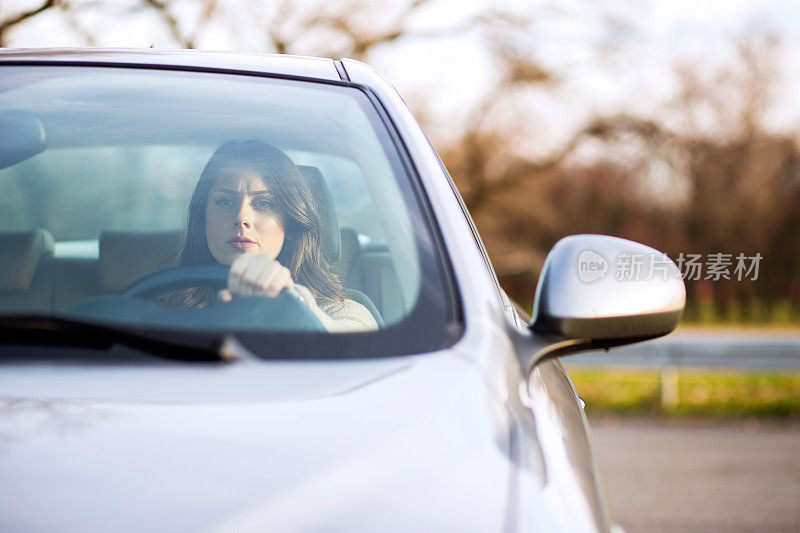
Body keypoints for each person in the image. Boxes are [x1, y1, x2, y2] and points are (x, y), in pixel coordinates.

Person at [162, 140, 378, 333]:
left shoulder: (342, 310)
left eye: (263, 203)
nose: (242, 217)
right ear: (203, 219)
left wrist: (297, 304)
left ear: (292, 225)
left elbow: (355, 340)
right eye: (225, 201)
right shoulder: (160, 311)